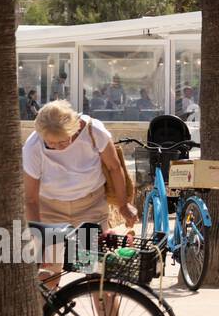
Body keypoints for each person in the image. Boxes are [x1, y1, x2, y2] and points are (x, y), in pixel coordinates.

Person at [23, 100, 139, 264]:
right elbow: (31, 199)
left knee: (93, 265)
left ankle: (102, 288)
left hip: (90, 206)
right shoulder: (32, 147)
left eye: (63, 141)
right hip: (50, 208)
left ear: (74, 129)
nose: (58, 148)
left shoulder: (93, 130)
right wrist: (38, 234)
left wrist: (123, 205)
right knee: (49, 270)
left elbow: (114, 167)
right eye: (50, 143)